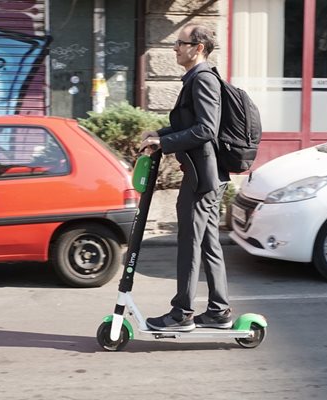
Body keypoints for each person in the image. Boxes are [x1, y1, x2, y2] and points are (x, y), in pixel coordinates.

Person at [139, 24, 231, 332]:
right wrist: (159, 134)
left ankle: (181, 314)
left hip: (201, 178)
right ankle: (218, 311)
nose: (175, 48)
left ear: (198, 48)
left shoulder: (203, 80)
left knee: (190, 244)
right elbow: (191, 126)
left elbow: (206, 129)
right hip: (205, 174)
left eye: (181, 43)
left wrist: (163, 144)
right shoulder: (195, 78)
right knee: (207, 243)